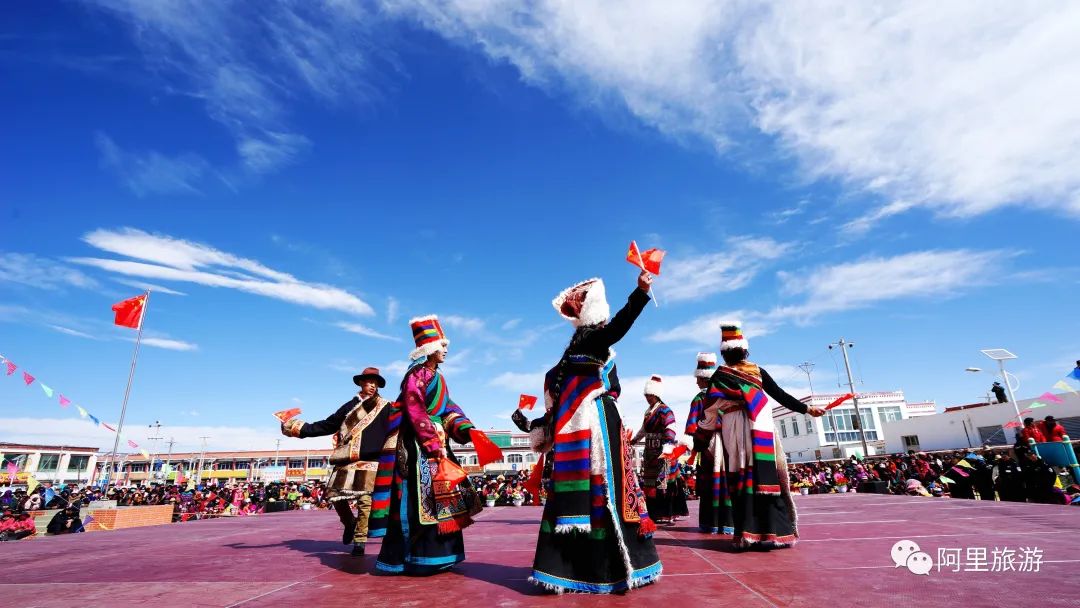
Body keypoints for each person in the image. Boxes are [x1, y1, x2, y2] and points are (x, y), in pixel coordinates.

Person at [530, 271, 662, 594]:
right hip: (598, 424)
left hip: (581, 423)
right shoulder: (594, 339)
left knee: (591, 491)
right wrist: (641, 293)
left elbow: (554, 385)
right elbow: (620, 326)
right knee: (606, 490)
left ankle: (564, 568)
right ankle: (606, 570)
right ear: (598, 312)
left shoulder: (575, 348)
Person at [373, 315, 483, 576]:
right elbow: (415, 409)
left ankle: (442, 555)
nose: (446, 351)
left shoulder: (438, 378)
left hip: (439, 443)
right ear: (429, 349)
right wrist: (433, 444)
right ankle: (415, 557)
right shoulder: (417, 374)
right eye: (442, 347)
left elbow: (449, 408)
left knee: (444, 499)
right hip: (419, 446)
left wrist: (467, 430)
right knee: (418, 501)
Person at [705, 323, 826, 550]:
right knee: (763, 477)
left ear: (725, 352)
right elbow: (780, 395)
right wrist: (807, 409)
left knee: (741, 477)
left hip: (735, 428)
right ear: (744, 350)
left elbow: (709, 407)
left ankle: (746, 534)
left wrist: (708, 429)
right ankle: (773, 532)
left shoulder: (720, 375)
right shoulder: (756, 371)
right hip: (760, 426)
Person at [282, 367, 395, 556]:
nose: (372, 386)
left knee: (365, 501)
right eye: (369, 382)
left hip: (371, 460)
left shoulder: (386, 406)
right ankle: (349, 523)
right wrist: (295, 428)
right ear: (361, 383)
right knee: (335, 497)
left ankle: (360, 541)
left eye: (375, 383)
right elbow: (327, 425)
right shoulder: (349, 406)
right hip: (346, 458)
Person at [685, 353, 728, 534]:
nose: (696, 383)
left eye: (698, 379)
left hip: (707, 444)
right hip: (727, 443)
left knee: (709, 482)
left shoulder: (699, 399)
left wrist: (692, 447)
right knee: (726, 482)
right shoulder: (725, 395)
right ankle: (728, 523)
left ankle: (711, 523)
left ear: (704, 379)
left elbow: (692, 427)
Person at [632, 375, 677, 524]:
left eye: (649, 395)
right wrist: (633, 440)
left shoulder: (664, 410)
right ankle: (653, 512)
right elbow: (644, 429)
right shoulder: (648, 412)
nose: (647, 398)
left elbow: (670, 427)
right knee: (649, 483)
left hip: (661, 450)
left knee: (661, 482)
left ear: (656, 394)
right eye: (646, 395)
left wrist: (668, 445)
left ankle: (664, 513)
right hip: (649, 451)